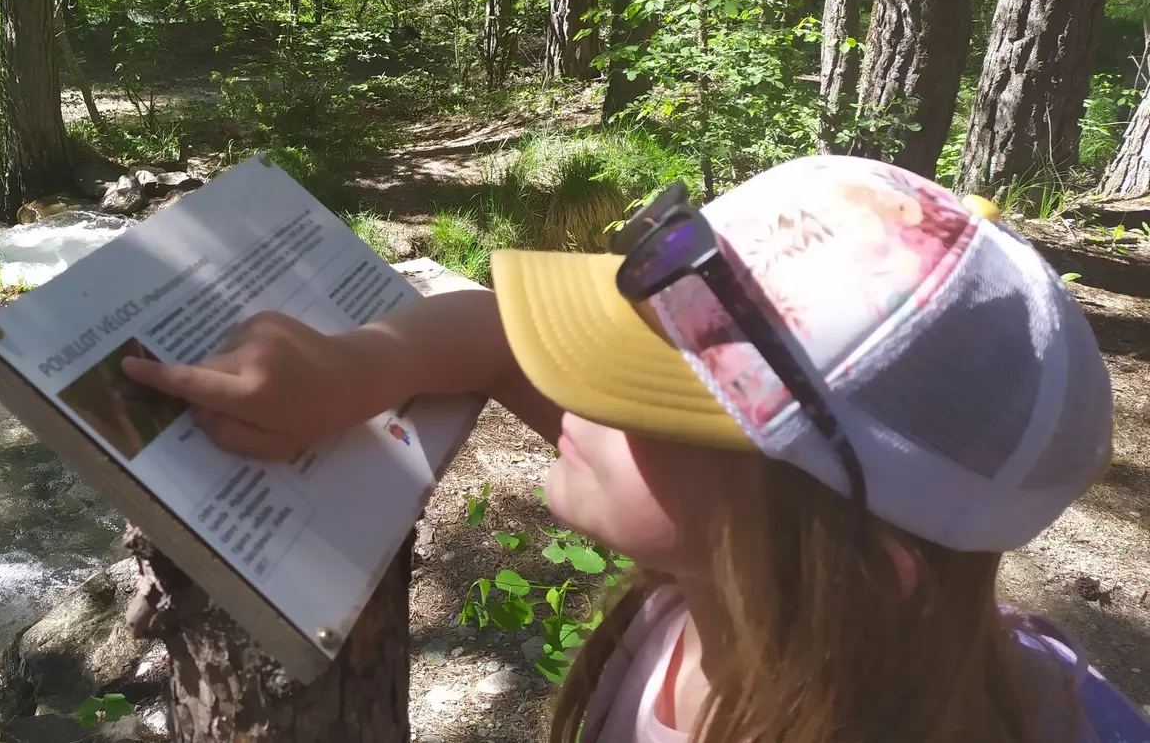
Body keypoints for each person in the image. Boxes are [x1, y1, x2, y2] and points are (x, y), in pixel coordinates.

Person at [122, 155, 1137, 742]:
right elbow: (492, 337)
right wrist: (361, 367)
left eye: (644, 391)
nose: (567, 389)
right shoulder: (790, 596)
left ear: (859, 558)